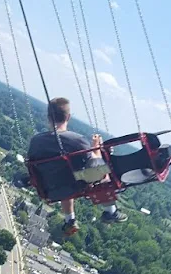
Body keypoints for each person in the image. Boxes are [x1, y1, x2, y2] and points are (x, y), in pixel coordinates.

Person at [27, 97, 127, 238]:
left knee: (64, 175)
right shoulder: (77, 140)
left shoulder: (35, 141)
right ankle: (110, 211)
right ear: (68, 117)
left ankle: (70, 220)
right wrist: (97, 147)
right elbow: (95, 166)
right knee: (102, 170)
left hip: (49, 189)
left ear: (48, 117)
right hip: (75, 185)